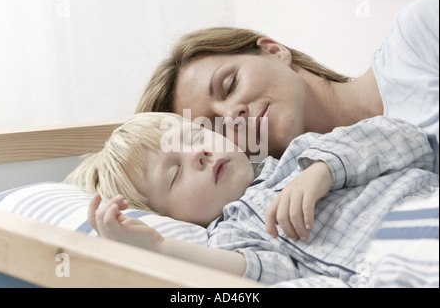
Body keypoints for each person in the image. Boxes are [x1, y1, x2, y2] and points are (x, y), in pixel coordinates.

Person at [66, 112, 438, 284]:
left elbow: (407, 140)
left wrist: (321, 170)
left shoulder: (302, 154)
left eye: (196, 138)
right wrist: (160, 249)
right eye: (175, 172)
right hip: (402, 263)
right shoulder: (230, 236)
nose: (199, 155)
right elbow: (269, 276)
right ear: (171, 216)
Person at [136, 0, 439, 174]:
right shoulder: (307, 203)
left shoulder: (420, 38)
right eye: (215, 128)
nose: (232, 116)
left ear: (273, 51)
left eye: (230, 85)